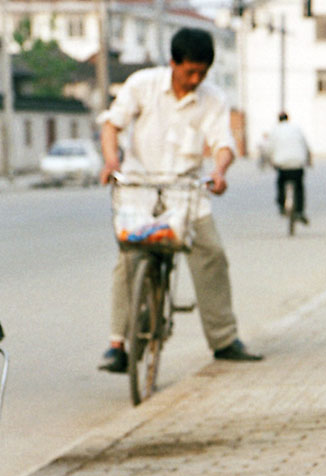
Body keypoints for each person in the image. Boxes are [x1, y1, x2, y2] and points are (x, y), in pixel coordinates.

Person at [97, 27, 262, 373]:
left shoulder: (213, 98)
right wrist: (111, 161)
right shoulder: (143, 85)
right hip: (140, 188)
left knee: (212, 255)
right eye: (190, 71)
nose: (196, 78)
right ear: (173, 63)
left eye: (202, 72)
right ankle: (117, 344)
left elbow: (223, 144)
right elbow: (112, 125)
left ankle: (224, 339)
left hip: (185, 193)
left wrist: (219, 172)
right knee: (129, 255)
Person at [268, 112, 311, 224]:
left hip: (282, 163)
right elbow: (305, 145)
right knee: (299, 186)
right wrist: (308, 160)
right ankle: (300, 210)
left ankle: (282, 205)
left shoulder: (275, 130)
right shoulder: (296, 129)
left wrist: (271, 161)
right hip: (298, 162)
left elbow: (270, 148)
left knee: (280, 182)